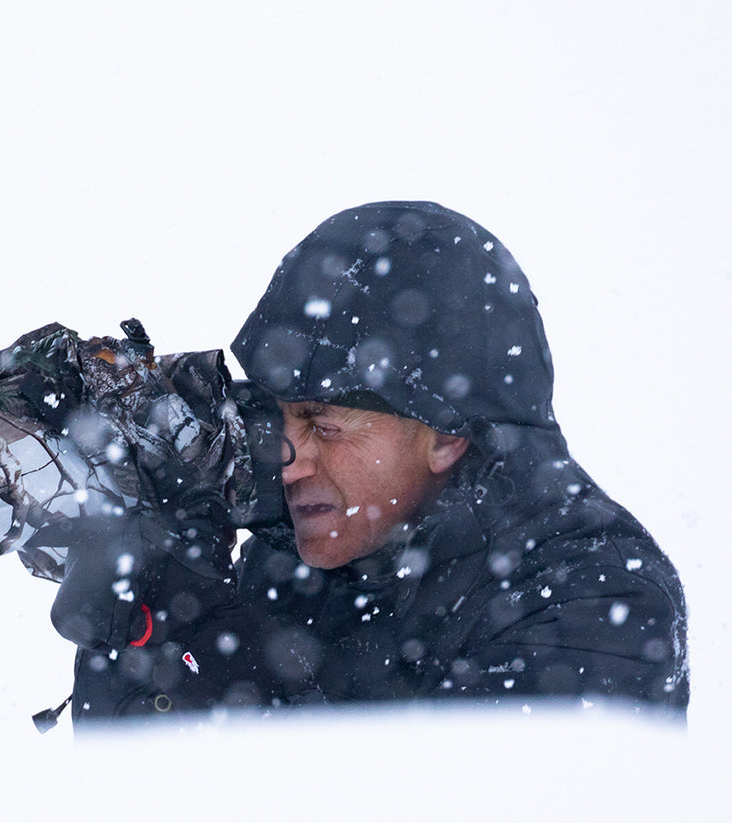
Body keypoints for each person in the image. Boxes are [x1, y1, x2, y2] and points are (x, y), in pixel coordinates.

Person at [63, 200, 689, 720]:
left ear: (444, 436)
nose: (288, 464)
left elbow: (495, 821)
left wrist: (257, 700)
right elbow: (150, 821)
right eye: (280, 421)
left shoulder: (592, 599)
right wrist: (142, 650)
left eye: (325, 426)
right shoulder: (290, 565)